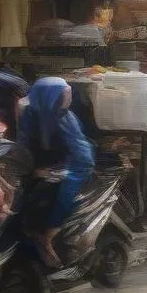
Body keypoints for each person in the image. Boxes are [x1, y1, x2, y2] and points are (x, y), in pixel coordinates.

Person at [18, 77, 95, 267]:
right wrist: (33, 169)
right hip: (41, 167)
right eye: (65, 94)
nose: (69, 97)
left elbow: (81, 153)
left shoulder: (64, 116)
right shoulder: (31, 115)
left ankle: (50, 232)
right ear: (52, 97)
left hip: (70, 164)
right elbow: (24, 146)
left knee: (66, 191)